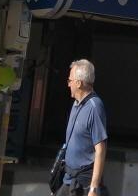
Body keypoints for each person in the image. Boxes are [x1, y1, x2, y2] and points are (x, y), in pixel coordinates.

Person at [60, 60, 108, 196]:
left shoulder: (94, 107)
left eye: (70, 80)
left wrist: (93, 188)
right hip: (68, 179)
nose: (68, 84)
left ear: (79, 83)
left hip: (83, 183)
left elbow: (100, 149)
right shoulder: (76, 104)